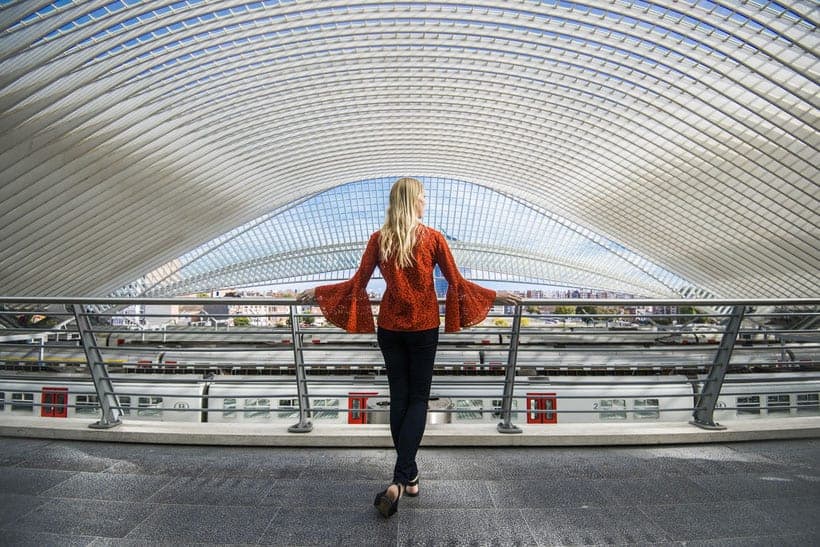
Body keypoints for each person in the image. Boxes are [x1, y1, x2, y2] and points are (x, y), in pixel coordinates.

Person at [297, 177, 520, 518]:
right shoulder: (432, 238)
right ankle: (400, 481)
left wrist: (319, 290)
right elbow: (458, 284)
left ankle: (409, 476)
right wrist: (495, 295)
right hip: (424, 328)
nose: (426, 201)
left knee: (399, 398)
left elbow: (357, 284)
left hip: (389, 328)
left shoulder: (379, 239)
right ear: (415, 200)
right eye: (424, 196)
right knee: (418, 400)